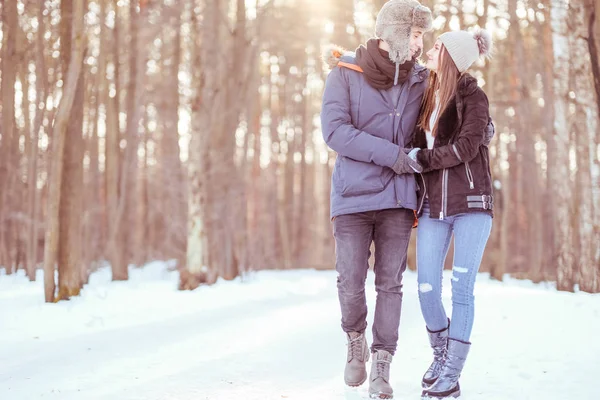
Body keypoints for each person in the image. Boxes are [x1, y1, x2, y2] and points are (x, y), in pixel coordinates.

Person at [320, 1, 433, 398]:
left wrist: (479, 125)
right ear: (396, 32)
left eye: (423, 35)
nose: (421, 43)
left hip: (399, 198)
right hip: (352, 195)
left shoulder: (422, 80)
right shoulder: (346, 72)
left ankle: (382, 361)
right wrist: (394, 156)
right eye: (416, 34)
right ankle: (355, 339)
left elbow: (446, 115)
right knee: (350, 281)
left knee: (390, 284)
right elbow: (334, 131)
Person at [407, 28, 495, 399]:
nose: (430, 49)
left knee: (462, 288)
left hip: (472, 204)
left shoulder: (473, 97)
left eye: (437, 46)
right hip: (432, 206)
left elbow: (465, 148)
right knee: (426, 285)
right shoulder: (426, 95)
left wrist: (422, 159)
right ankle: (441, 356)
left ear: (452, 56)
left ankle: (452, 373)